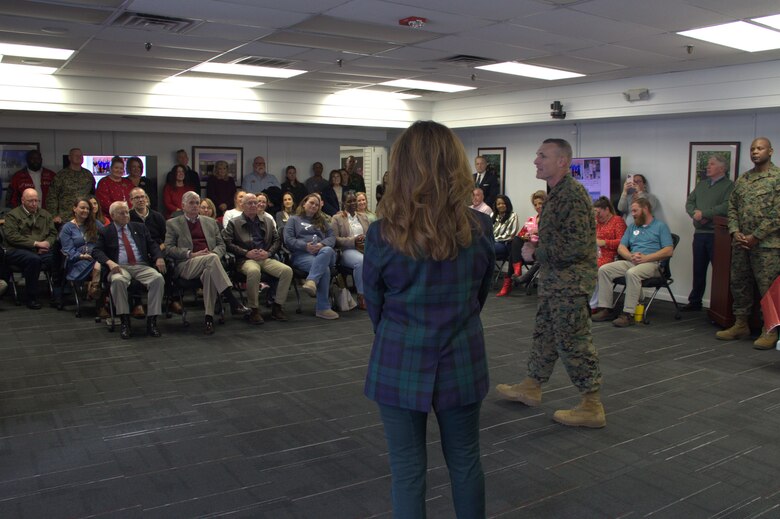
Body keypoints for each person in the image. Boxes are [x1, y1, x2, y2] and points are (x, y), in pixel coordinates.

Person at [364, 121, 494, 518]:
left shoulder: (381, 234)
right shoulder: (480, 227)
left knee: (406, 470)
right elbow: (481, 293)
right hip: (462, 356)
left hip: (400, 356)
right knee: (466, 462)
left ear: (401, 168)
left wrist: (401, 331)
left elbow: (374, 302)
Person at [496, 138, 606, 429]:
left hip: (570, 284)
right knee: (545, 334)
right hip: (556, 281)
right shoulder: (557, 193)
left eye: (542, 156)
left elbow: (577, 247)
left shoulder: (571, 195)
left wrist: (537, 251)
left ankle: (592, 404)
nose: (535, 160)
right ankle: (531, 385)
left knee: (574, 341)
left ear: (561, 161)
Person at [716, 137, 780, 349]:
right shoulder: (743, 180)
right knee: (740, 284)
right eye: (752, 149)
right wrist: (735, 231)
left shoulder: (777, 178)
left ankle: (770, 330)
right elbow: (732, 207)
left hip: (767, 246)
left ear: (770, 151)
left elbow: (777, 213)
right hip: (741, 243)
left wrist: (756, 236)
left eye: (760, 148)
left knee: (768, 289)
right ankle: (740, 324)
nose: (755, 152)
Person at [164, 191, 250, 334]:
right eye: (191, 203)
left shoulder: (210, 222)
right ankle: (232, 300)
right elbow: (168, 248)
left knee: (210, 272)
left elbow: (221, 245)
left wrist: (214, 254)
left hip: (210, 262)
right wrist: (190, 254)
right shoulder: (173, 223)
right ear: (183, 205)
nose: (195, 206)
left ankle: (208, 319)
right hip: (186, 264)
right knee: (211, 261)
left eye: (197, 203)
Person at [592, 197, 674, 327]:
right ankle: (606, 308)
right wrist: (630, 256)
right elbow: (621, 247)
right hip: (632, 261)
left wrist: (647, 258)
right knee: (604, 270)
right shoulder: (632, 227)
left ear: (645, 209)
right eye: (632, 211)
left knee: (632, 273)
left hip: (652, 264)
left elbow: (669, 250)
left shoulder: (660, 226)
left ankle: (628, 314)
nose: (633, 214)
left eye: (635, 211)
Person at [92, 201, 166, 339]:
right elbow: (96, 251)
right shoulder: (106, 231)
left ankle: (152, 321)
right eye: (122, 213)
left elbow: (152, 245)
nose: (126, 215)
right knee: (118, 280)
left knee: (158, 279)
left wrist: (158, 257)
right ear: (113, 215)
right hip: (119, 266)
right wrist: (109, 262)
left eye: (127, 212)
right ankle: (125, 321)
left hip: (140, 265)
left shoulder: (139, 227)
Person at [223, 192, 292, 324]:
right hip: (245, 259)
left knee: (287, 271)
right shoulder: (234, 222)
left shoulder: (267, 221)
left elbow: (277, 240)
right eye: (250, 203)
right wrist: (245, 252)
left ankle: (277, 307)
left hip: (264, 256)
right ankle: (254, 309)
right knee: (254, 271)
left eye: (256, 202)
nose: (254, 205)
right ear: (242, 205)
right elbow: (227, 242)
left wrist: (269, 253)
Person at [684, 154, 734, 312]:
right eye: (708, 164)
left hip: (717, 235)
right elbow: (689, 202)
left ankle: (719, 307)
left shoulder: (729, 186)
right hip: (699, 233)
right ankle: (695, 301)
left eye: (711, 164)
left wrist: (704, 213)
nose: (708, 166)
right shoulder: (701, 185)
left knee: (720, 272)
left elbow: (726, 206)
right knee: (698, 269)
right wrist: (695, 214)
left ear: (722, 168)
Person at [282, 193, 339, 320]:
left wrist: (321, 244)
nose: (314, 206)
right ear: (304, 203)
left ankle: (311, 280)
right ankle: (323, 308)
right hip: (302, 255)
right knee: (325, 270)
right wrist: (305, 246)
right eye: (311, 203)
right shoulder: (293, 220)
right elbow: (288, 240)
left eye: (317, 205)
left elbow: (332, 237)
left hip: (323, 253)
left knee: (328, 250)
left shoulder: (322, 221)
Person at [3, 188, 57, 309]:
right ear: (23, 200)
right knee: (33, 260)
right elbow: (12, 237)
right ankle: (31, 298)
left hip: (42, 249)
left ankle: (58, 293)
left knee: (59, 256)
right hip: (16, 249)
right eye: (30, 201)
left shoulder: (45, 215)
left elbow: (53, 234)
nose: (34, 204)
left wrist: (47, 243)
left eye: (36, 201)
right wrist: (36, 244)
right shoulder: (13, 215)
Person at [59, 197, 104, 299]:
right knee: (102, 265)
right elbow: (67, 251)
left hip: (95, 256)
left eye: (88, 208)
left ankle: (94, 287)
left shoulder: (96, 223)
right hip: (78, 261)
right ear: (74, 209)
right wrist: (82, 256)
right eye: (82, 208)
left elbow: (107, 237)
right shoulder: (67, 227)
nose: (86, 211)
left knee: (101, 263)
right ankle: (97, 293)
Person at [331, 191, 369, 310]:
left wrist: (365, 238)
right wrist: (353, 240)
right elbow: (334, 239)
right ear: (343, 203)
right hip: (347, 250)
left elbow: (371, 234)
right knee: (361, 261)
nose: (353, 203)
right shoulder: (337, 218)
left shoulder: (363, 217)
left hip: (364, 248)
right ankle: (361, 296)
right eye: (349, 201)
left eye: (354, 201)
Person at [590, 196, 627, 309]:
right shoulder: (598, 223)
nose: (597, 215)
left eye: (599, 212)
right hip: (597, 254)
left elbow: (623, 241)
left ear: (607, 210)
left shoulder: (617, 221)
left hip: (612, 256)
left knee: (593, 269)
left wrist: (604, 242)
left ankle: (594, 304)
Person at [46, 147, 96, 225]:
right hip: (65, 217)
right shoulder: (61, 175)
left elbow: (93, 194)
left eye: (81, 156)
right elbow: (52, 197)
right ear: (69, 158)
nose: (79, 157)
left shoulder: (88, 175)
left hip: (84, 216)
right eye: (76, 155)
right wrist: (54, 215)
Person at [507, 190, 546, 289]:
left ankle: (513, 279)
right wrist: (525, 237)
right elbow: (521, 234)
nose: (538, 206)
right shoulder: (531, 219)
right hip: (530, 249)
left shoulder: (550, 218)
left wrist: (538, 233)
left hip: (543, 249)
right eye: (535, 204)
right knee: (516, 239)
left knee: (512, 253)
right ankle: (517, 272)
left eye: (540, 203)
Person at [493, 194, 521, 297]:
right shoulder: (493, 216)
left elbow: (511, 234)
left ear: (507, 204)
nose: (501, 205)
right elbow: (488, 232)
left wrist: (494, 239)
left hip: (505, 245)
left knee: (486, 250)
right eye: (498, 204)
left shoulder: (513, 215)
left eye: (503, 203)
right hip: (493, 243)